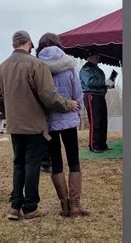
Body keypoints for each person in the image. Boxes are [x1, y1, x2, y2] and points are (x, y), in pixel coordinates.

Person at [0, 30, 79, 220]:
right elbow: (49, 97)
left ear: (13, 44)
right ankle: (30, 208)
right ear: (29, 43)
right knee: (32, 164)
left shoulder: (2, 67)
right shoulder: (36, 65)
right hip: (34, 124)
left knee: (18, 163)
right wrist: (68, 104)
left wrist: (10, 113)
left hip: (14, 124)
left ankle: (15, 207)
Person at [36, 32, 90, 217]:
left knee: (56, 162)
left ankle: (64, 206)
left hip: (49, 122)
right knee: (74, 160)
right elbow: (78, 93)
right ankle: (75, 205)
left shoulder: (38, 68)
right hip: (68, 119)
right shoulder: (69, 66)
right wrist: (76, 109)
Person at [79, 50, 115, 153]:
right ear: (90, 57)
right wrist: (104, 82)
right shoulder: (86, 69)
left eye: (98, 56)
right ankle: (94, 145)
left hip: (100, 95)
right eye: (96, 56)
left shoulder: (98, 70)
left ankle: (102, 144)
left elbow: (101, 83)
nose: (98, 58)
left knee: (103, 120)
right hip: (91, 96)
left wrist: (109, 83)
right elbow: (90, 83)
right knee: (95, 121)